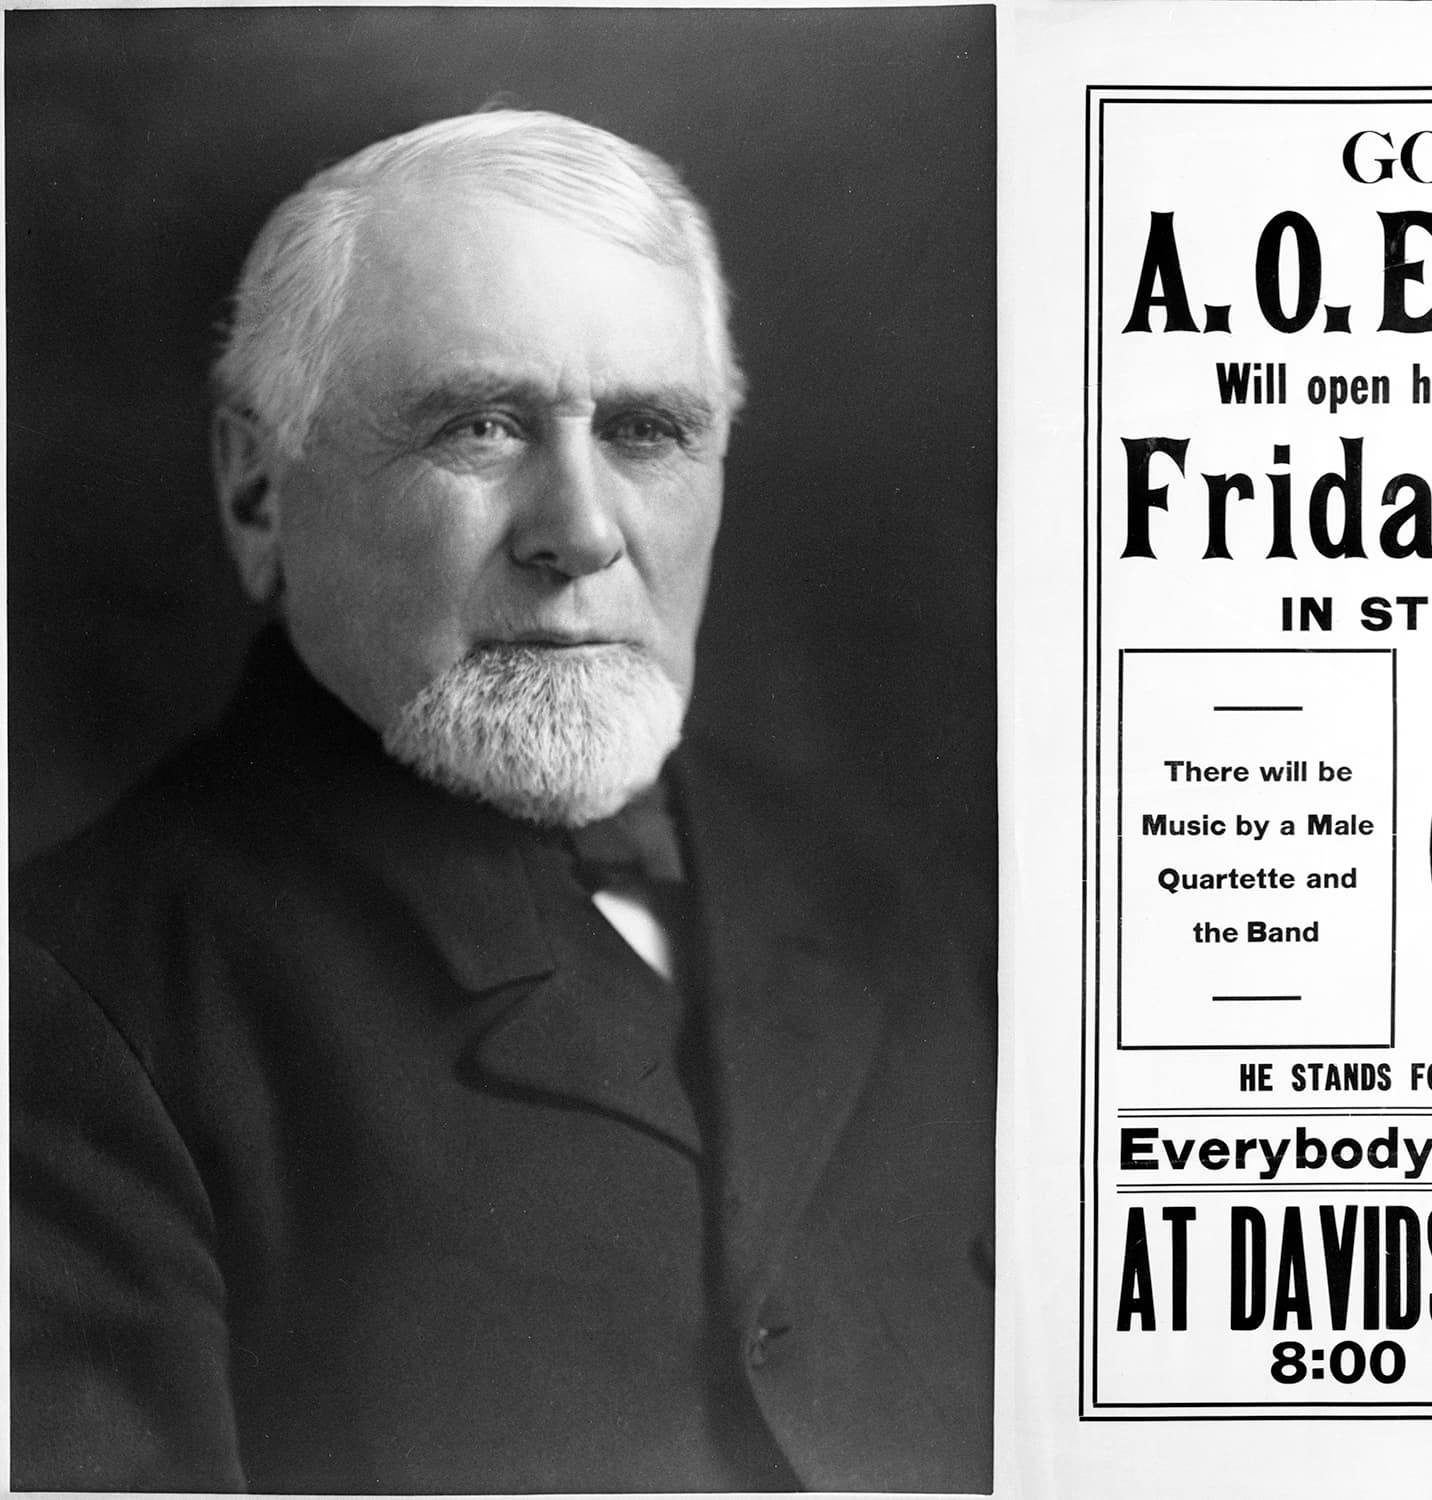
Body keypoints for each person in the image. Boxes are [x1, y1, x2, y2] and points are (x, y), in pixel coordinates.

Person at [10, 110, 993, 1493]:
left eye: (649, 430)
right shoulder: (69, 1006)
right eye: (479, 426)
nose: (580, 529)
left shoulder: (869, 890)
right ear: (255, 490)